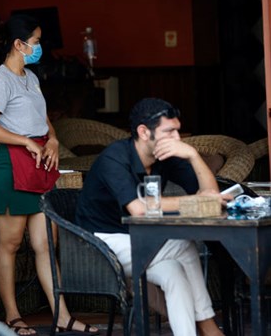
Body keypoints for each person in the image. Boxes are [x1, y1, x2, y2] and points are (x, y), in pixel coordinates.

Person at [0, 14, 99, 336]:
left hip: (40, 165)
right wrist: (25, 141)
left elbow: (43, 119)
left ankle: (62, 315)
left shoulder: (30, 77)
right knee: (11, 244)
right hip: (12, 166)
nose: (40, 46)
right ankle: (13, 317)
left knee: (46, 243)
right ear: (19, 44)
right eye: (36, 41)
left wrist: (54, 139)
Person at [75, 97, 227, 336]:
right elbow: (139, 209)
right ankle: (210, 329)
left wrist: (193, 155)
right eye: (170, 131)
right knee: (182, 245)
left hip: (139, 239)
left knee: (173, 272)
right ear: (144, 132)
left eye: (178, 130)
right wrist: (197, 201)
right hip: (99, 242)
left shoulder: (165, 156)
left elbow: (211, 195)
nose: (178, 138)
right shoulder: (114, 158)